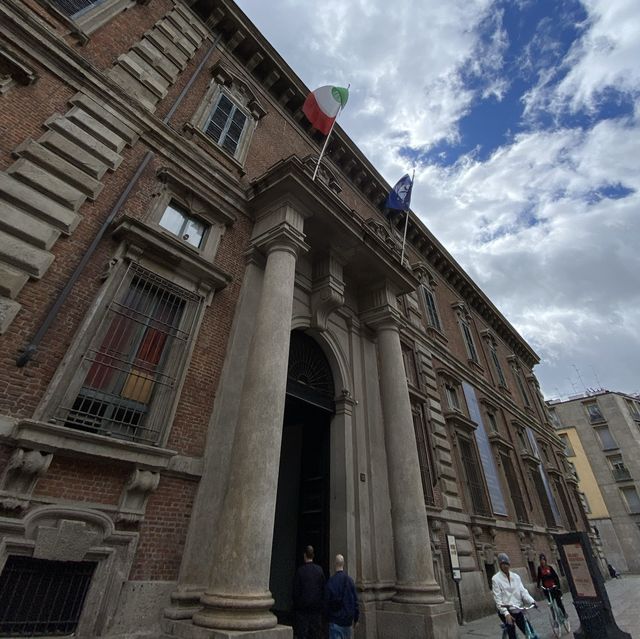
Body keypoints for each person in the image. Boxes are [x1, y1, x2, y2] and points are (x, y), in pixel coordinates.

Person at [491, 552, 536, 639]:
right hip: (506, 610)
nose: (505, 566)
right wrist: (506, 613)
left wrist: (532, 601)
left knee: (529, 631)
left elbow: (523, 591)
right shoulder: (496, 579)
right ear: (500, 565)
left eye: (507, 564)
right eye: (503, 564)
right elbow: (498, 599)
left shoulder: (516, 577)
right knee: (512, 634)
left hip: (517, 609)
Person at [292, 545, 326, 639]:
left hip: (303, 611)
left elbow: (295, 592)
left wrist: (297, 606)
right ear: (313, 555)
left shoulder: (300, 571)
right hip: (316, 610)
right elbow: (323, 589)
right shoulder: (319, 570)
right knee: (315, 635)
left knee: (303, 634)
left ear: (304, 555)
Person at [325, 554, 359, 639]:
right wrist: (356, 618)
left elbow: (326, 602)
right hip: (347, 621)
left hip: (335, 620)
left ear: (335, 564)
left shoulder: (331, 582)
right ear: (343, 564)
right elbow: (355, 601)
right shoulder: (350, 581)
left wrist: (326, 618)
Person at [536, 553, 567, 618]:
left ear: (545, 560)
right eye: (541, 560)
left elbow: (555, 576)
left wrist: (557, 585)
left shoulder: (549, 567)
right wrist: (538, 585)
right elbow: (539, 577)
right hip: (547, 589)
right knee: (551, 604)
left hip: (553, 587)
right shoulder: (539, 569)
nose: (542, 561)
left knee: (558, 602)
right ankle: (554, 618)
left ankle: (564, 613)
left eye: (543, 559)